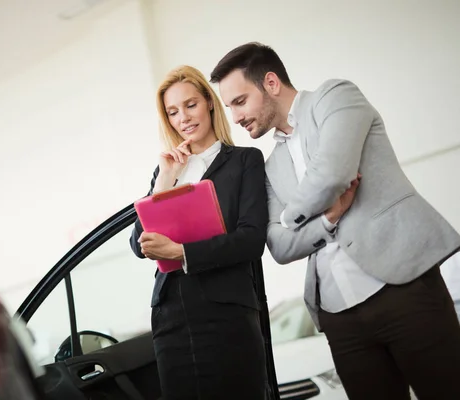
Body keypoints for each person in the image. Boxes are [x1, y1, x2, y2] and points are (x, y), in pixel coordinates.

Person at [209, 42, 460, 400]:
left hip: (404, 289)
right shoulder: (270, 168)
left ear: (271, 83)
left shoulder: (334, 97)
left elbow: (332, 174)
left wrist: (288, 216)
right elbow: (279, 246)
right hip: (339, 317)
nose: (235, 117)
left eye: (239, 101)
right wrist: (327, 218)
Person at [129, 65, 268, 400]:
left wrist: (182, 253)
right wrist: (164, 180)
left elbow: (251, 239)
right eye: (173, 112)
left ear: (208, 102)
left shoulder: (245, 161)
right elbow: (138, 244)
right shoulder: (165, 169)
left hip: (227, 311)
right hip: (172, 316)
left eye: (190, 105)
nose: (183, 119)